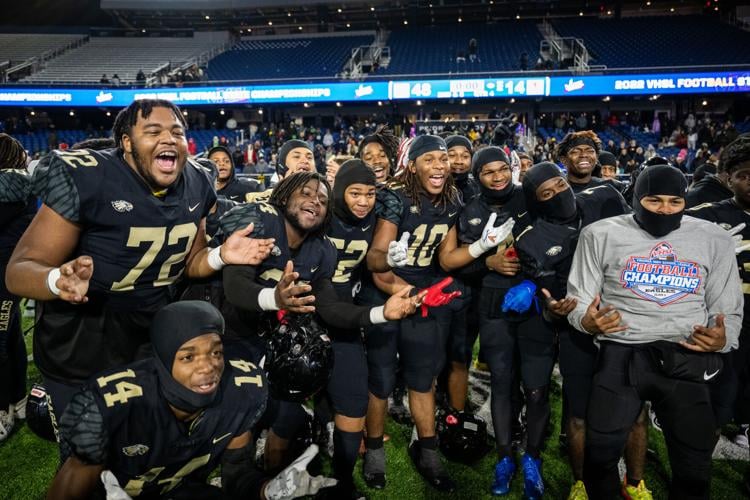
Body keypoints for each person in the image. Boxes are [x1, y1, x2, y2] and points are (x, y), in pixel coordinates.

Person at [6, 99, 274, 422]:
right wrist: (55, 280)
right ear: (127, 143)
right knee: (89, 452)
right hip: (81, 344)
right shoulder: (90, 178)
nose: (168, 139)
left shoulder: (197, 181)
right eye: (153, 131)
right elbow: (18, 270)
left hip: (149, 338)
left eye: (177, 132)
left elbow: (191, 262)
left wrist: (220, 256)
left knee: (142, 449)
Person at [218, 170, 424, 482]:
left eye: (322, 199)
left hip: (273, 337)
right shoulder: (262, 222)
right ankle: (247, 481)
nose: (315, 201)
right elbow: (235, 286)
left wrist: (383, 312)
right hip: (231, 333)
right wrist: (275, 298)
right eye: (306, 194)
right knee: (240, 417)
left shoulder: (322, 248)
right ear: (285, 196)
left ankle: (319, 482)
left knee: (289, 413)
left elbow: (330, 309)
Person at [567, 164, 742, 500]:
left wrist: (724, 337)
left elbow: (726, 306)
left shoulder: (713, 238)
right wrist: (585, 321)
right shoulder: (600, 234)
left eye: (674, 202)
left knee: (694, 468)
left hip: (687, 353)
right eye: (654, 200)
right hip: (622, 352)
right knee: (600, 457)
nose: (664, 210)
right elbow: (579, 299)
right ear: (636, 198)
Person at [48, 300, 336, 499]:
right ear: (162, 360)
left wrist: (268, 489)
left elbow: (237, 478)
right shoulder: (111, 405)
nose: (208, 366)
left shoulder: (242, 390)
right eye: (188, 356)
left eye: (216, 352)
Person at [363, 135, 493, 493]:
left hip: (424, 297)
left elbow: (448, 258)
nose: (439, 166)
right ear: (412, 164)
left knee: (423, 380)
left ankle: (428, 450)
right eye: (430, 159)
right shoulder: (395, 196)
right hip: (388, 293)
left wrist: (480, 247)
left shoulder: (452, 198)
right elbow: (375, 261)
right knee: (381, 380)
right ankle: (374, 448)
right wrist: (395, 267)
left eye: (443, 159)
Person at [687, 135, 750, 432]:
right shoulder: (706, 216)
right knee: (719, 399)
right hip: (726, 320)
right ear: (728, 178)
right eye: (744, 175)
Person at [0, 134, 36, 442]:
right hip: (12, 272)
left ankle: (2, 408)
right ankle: (18, 398)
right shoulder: (21, 186)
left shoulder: (9, 189)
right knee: (10, 336)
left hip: (3, 275)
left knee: (1, 340)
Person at [445, 135, 478, 203]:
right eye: (452, 155)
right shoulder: (432, 189)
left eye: (465, 156)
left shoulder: (479, 187)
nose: (459, 161)